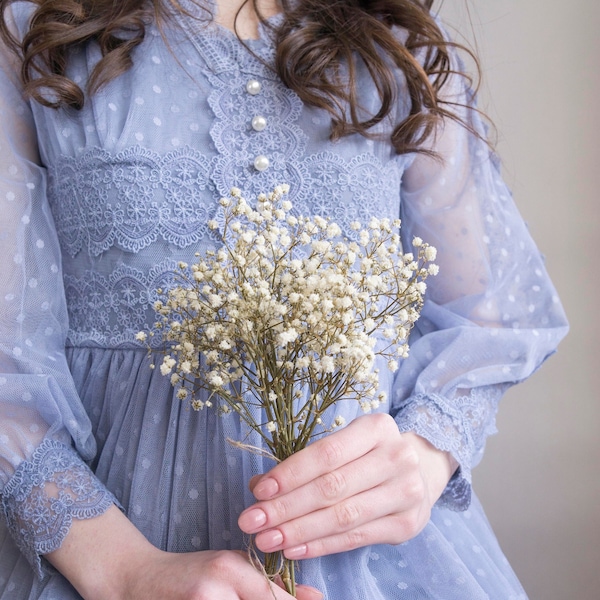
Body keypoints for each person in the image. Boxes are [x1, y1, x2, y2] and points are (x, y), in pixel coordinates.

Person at [0, 0, 568, 598]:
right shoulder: (37, 36)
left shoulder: (401, 50)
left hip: (381, 567)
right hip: (97, 560)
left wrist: (424, 458)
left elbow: (491, 318)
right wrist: (123, 572)